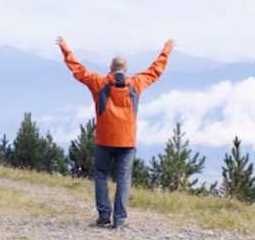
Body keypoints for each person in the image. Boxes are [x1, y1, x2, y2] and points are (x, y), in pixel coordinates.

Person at [56, 37, 174, 229]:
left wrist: (65, 48)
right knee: (123, 179)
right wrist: (167, 49)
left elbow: (78, 69)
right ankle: (119, 220)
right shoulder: (137, 83)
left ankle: (104, 216)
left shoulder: (98, 82)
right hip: (127, 141)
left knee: (101, 174)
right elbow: (155, 70)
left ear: (110, 68)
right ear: (125, 69)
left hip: (104, 139)